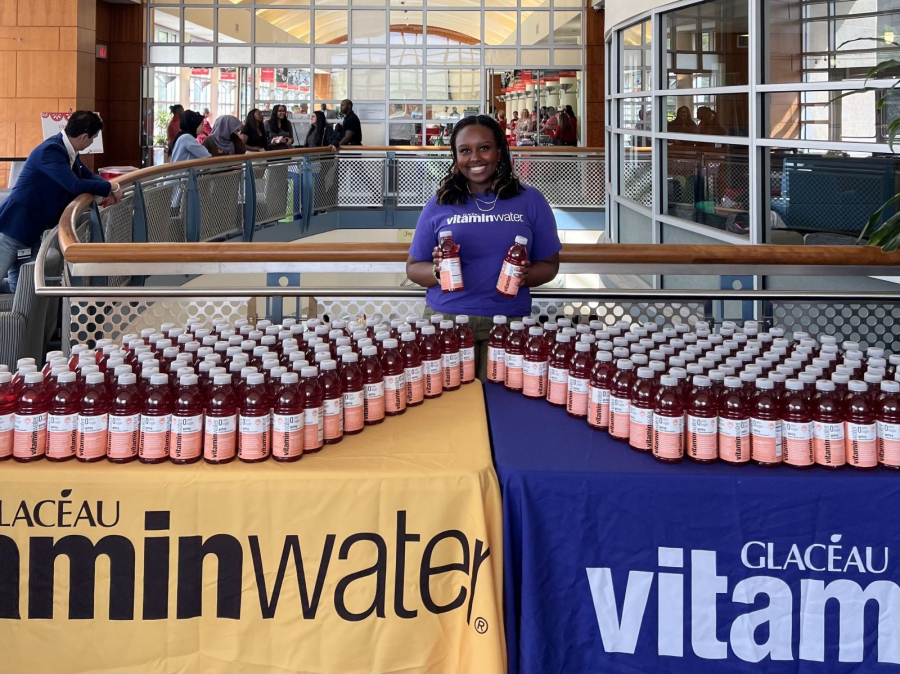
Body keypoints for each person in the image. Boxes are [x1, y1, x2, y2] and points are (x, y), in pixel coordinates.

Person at [406, 115, 561, 379]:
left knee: (503, 406)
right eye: (465, 151)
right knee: (451, 409)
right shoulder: (440, 203)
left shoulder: (531, 200)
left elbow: (549, 265)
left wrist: (524, 275)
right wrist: (436, 271)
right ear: (456, 157)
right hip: (447, 322)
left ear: (499, 150)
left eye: (484, 148)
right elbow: (412, 268)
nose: (475, 158)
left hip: (508, 322)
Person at [0, 111, 121, 292]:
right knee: (20, 286)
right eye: (93, 138)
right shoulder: (51, 150)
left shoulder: (68, 151)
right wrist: (110, 189)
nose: (91, 143)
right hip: (12, 229)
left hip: (32, 232)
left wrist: (111, 186)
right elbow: (74, 185)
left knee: (21, 289)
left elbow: (87, 176)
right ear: (83, 137)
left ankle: (17, 320)